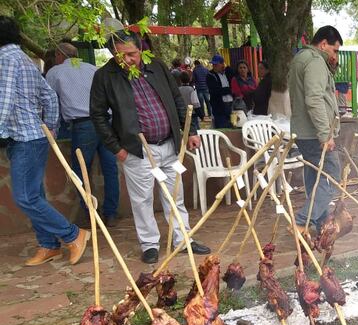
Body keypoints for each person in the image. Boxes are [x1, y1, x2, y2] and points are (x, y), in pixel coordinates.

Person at [90, 29, 210, 264]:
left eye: (132, 54)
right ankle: (150, 244)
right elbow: (98, 115)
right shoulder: (105, 76)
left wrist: (191, 131)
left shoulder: (156, 66)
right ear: (113, 54)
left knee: (175, 195)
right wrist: (116, 148)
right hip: (137, 149)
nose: (127, 60)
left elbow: (176, 99)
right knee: (142, 200)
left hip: (170, 144)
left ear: (140, 49)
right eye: (120, 56)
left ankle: (182, 239)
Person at [0, 16, 89, 266]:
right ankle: (48, 245)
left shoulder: (5, 59)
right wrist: (50, 127)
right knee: (34, 195)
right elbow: (49, 96)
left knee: (25, 197)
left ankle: (73, 235)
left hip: (24, 139)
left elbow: (4, 101)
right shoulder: (22, 58)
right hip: (33, 136)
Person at [46, 42, 120, 228]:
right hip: (105, 122)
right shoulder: (93, 69)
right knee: (110, 168)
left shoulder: (55, 72)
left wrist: (52, 127)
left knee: (80, 171)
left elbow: (50, 101)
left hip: (83, 125)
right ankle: (111, 213)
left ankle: (91, 213)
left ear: (59, 55)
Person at [288, 25, 343, 233]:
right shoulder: (315, 61)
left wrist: (332, 66)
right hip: (314, 133)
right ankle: (302, 222)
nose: (335, 55)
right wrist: (325, 134)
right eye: (334, 50)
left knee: (316, 177)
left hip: (303, 131)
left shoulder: (301, 58)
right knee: (331, 175)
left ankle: (319, 223)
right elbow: (314, 99)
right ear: (323, 44)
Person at [206, 54, 234, 129]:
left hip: (231, 104)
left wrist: (228, 69)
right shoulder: (210, 75)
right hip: (219, 106)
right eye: (213, 65)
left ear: (222, 64)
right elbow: (215, 91)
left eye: (216, 64)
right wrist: (229, 90)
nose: (214, 66)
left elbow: (234, 83)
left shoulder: (227, 73)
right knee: (222, 127)